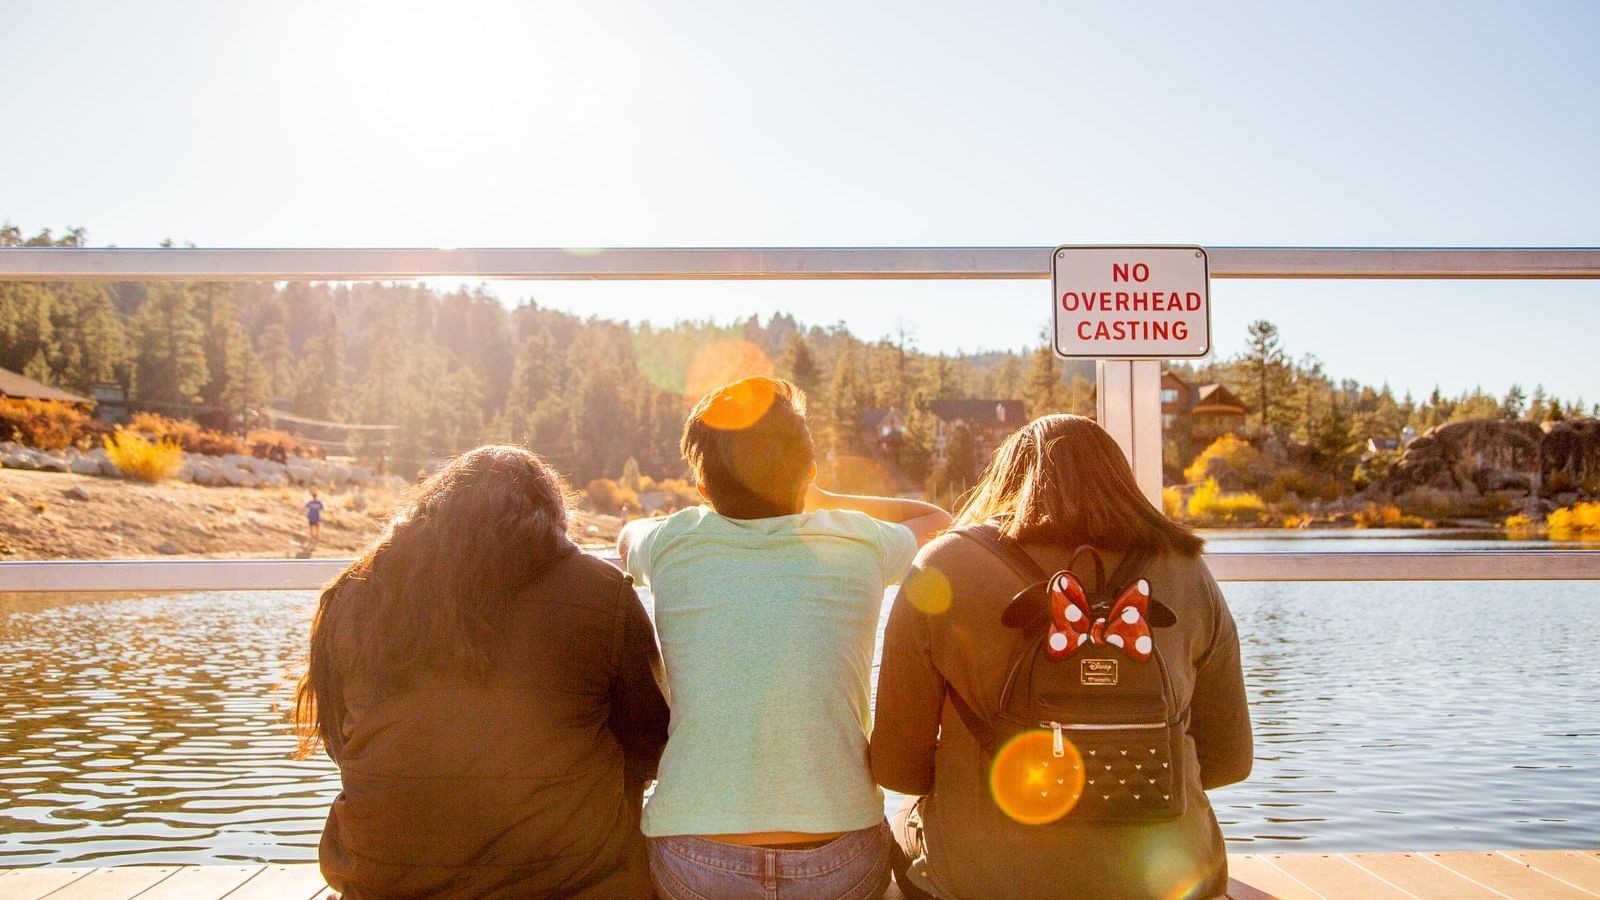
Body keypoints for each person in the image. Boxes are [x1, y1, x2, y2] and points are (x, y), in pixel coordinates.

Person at [870, 415, 1252, 900]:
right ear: (1121, 481)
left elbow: (898, 768)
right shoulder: (1186, 568)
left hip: (987, 879)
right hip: (1170, 879)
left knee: (903, 823)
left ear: (1004, 478)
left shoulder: (942, 566)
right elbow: (1230, 761)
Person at [619, 376, 951, 900]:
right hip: (840, 856)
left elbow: (626, 539)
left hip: (694, 857)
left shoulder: (669, 541)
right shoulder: (857, 539)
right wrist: (820, 495)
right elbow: (937, 521)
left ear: (703, 489)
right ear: (809, 470)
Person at [294, 445, 670, 899]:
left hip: (386, 879)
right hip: (573, 883)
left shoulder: (352, 594)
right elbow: (650, 741)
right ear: (554, 516)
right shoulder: (602, 592)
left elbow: (341, 741)